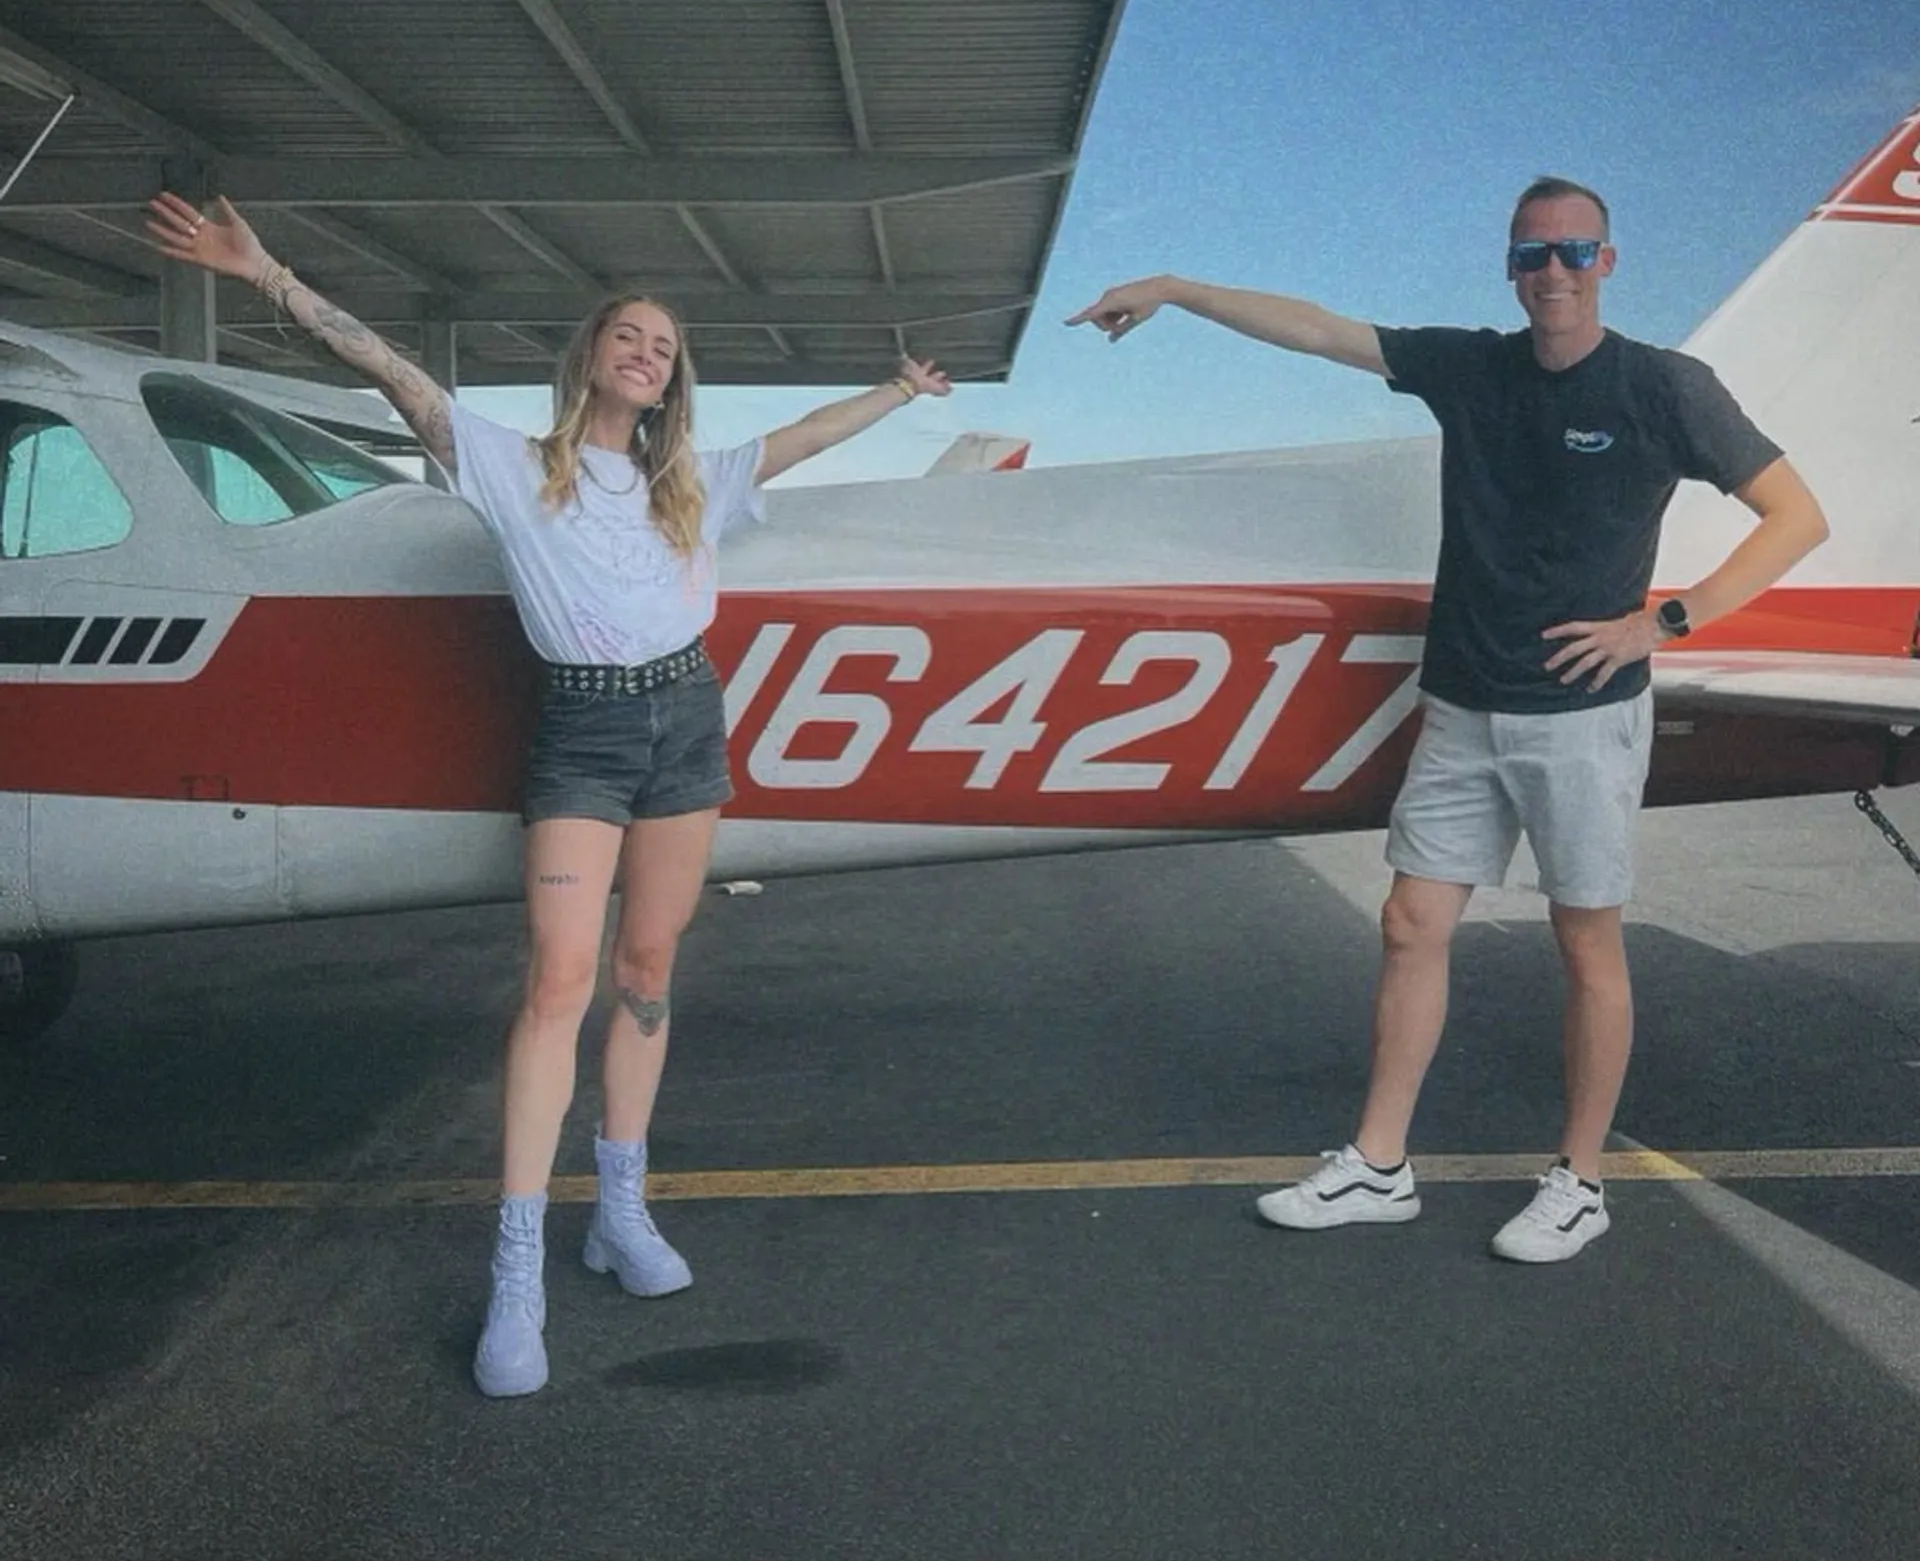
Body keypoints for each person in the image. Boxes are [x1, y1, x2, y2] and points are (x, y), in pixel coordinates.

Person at [146, 191, 951, 1388]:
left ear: (674, 380)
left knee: (648, 972)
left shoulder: (693, 481)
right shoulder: (512, 465)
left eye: (664, 346)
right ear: (590, 356)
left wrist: (899, 391)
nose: (647, 352)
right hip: (583, 729)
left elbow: (804, 439)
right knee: (558, 983)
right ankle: (516, 1273)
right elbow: (392, 371)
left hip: (687, 720)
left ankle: (620, 1213)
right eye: (628, 335)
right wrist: (266, 276)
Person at [1069, 176, 1828, 1262]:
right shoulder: (1472, 368)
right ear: (1510, 268)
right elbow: (1321, 331)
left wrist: (1662, 622)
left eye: (1574, 251)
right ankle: (1380, 1166)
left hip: (1582, 717)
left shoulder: (1664, 387)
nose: (1554, 272)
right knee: (1411, 924)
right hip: (1463, 704)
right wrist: (1177, 288)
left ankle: (1580, 1181)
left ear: (1608, 262)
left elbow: (1795, 515)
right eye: (1533, 254)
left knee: (1587, 945)